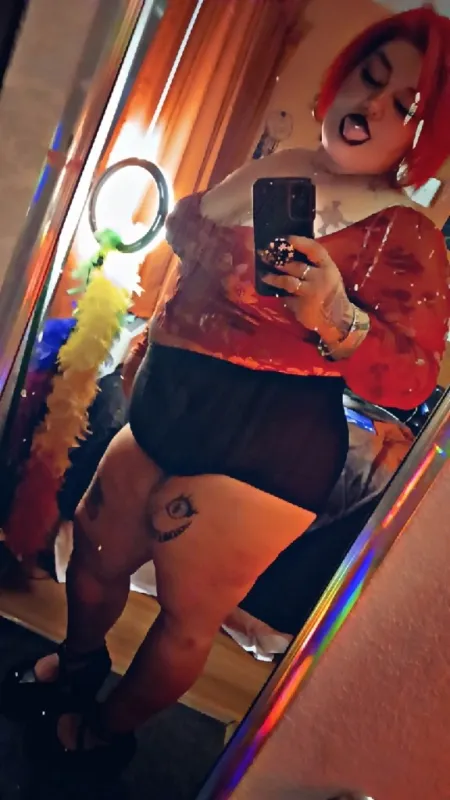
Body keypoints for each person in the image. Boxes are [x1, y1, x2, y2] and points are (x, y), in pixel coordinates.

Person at [3, 6, 450, 769]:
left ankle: (107, 733)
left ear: (423, 134)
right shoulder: (278, 167)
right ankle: (77, 671)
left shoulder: (406, 233)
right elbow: (193, 249)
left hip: (267, 442)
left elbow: (413, 378)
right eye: (369, 79)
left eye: (402, 105)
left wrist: (337, 316)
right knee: (96, 557)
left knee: (186, 614)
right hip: (167, 405)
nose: (371, 106)